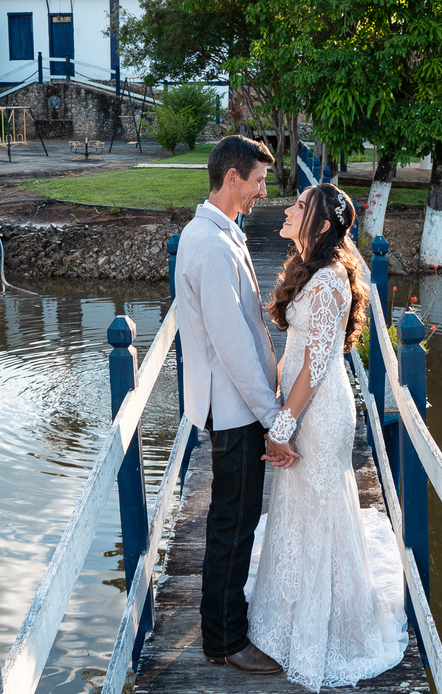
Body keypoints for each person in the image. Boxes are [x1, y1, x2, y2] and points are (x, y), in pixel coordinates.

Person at [248, 182, 408, 691]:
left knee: (317, 509)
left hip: (317, 411)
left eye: (299, 206)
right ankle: (295, 612)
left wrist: (281, 426)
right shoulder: (311, 271)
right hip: (304, 403)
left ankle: (328, 628)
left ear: (320, 225)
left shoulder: (331, 281)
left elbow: (316, 365)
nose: (288, 209)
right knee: (300, 510)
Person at [174, 135, 289, 674]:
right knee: (232, 524)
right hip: (235, 408)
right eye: (259, 180)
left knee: (233, 520)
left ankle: (226, 626)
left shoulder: (219, 234)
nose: (264, 190)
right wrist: (273, 418)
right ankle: (224, 639)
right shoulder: (211, 245)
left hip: (235, 402)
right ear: (232, 178)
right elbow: (232, 344)